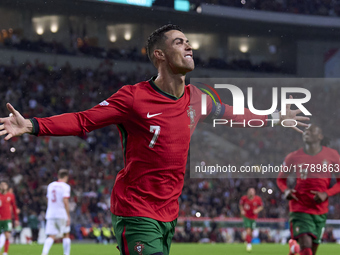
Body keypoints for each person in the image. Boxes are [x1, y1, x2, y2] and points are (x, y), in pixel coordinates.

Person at [0, 24, 308, 255]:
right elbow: (84, 120)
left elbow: (232, 112)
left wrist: (276, 117)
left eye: (188, 42)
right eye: (179, 42)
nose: (188, 47)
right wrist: (32, 125)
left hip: (168, 214)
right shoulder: (133, 97)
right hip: (135, 210)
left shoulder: (197, 98)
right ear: (159, 55)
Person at [277, 124, 340, 255]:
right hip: (299, 207)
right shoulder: (293, 156)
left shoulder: (332, 156)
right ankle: (298, 249)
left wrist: (326, 194)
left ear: (320, 136)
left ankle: (294, 250)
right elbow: (280, 179)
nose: (307, 132)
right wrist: (286, 190)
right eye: (305, 130)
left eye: (311, 130)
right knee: (306, 249)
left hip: (320, 210)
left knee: (311, 250)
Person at [41, 169, 71, 255]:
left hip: (50, 213)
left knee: (51, 236)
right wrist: (68, 216)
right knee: (66, 234)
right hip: (61, 213)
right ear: (66, 177)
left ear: (58, 176)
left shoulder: (50, 185)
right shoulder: (65, 186)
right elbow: (65, 201)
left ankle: (44, 253)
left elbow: (48, 199)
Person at [239, 187, 263, 252]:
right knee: (248, 230)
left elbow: (261, 206)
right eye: (250, 191)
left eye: (252, 191)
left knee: (251, 233)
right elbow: (240, 205)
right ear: (248, 192)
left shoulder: (258, 199)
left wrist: (257, 210)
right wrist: (242, 210)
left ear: (254, 193)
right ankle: (249, 245)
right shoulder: (244, 198)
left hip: (254, 217)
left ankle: (247, 240)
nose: (251, 193)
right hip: (246, 217)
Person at [0, 181, 19, 255]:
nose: (3, 186)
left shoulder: (11, 196)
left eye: (4, 185)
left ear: (7, 186)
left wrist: (16, 219)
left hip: (7, 219)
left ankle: (5, 253)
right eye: (1, 185)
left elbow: (14, 207)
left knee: (7, 235)